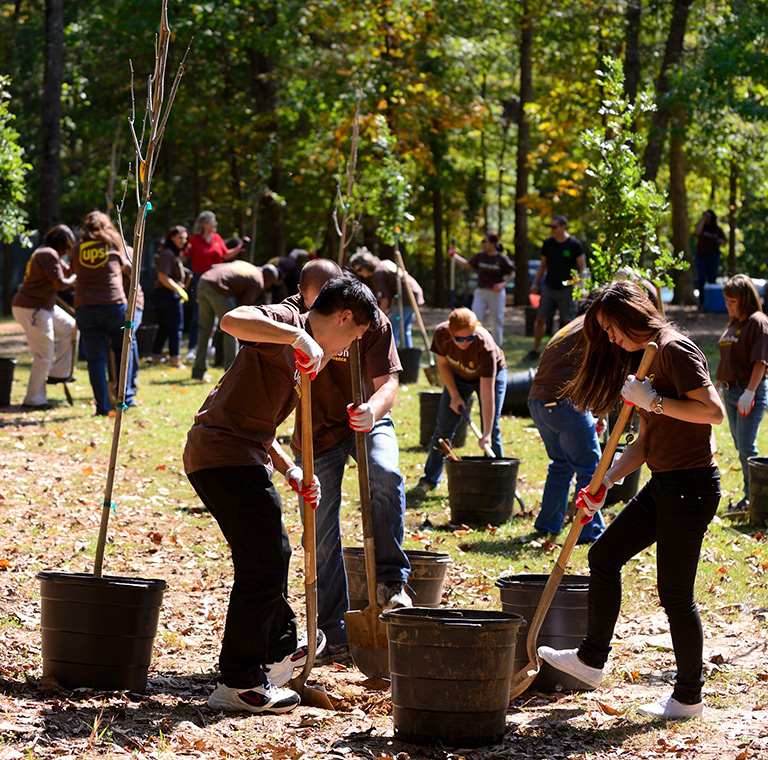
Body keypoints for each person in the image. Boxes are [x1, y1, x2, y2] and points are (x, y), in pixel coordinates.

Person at [184, 272, 379, 714]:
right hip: (222, 453)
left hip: (239, 452)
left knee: (265, 559)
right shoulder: (288, 320)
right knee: (268, 559)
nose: (349, 348)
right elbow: (232, 320)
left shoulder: (308, 354)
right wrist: (296, 336)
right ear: (344, 317)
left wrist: (289, 467)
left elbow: (257, 418)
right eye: (355, 335)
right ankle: (239, 681)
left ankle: (280, 649)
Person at [538, 280, 723, 719]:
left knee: (675, 593)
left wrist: (656, 402)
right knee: (603, 556)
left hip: (692, 487)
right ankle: (591, 660)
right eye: (602, 330)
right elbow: (645, 441)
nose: (609, 337)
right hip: (665, 484)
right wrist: (607, 481)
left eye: (610, 327)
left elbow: (713, 411)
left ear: (629, 316)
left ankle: (688, 698)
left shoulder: (675, 349)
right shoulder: (647, 358)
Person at [275, 258, 411, 662]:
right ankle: (333, 630)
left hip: (364, 417)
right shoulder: (288, 320)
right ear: (306, 299)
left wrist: (373, 408)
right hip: (315, 432)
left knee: (386, 473)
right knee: (319, 529)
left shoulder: (369, 316)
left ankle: (390, 583)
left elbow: (389, 381)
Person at [527, 311, 605, 543]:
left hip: (538, 402)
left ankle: (548, 524)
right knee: (589, 468)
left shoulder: (574, 325)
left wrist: (594, 411)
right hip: (564, 404)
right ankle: (589, 532)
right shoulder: (596, 327)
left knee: (560, 464)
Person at [414, 307, 507, 494]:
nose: (464, 343)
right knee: (443, 429)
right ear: (451, 332)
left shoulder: (485, 346)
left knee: (492, 429)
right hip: (458, 377)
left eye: (469, 337)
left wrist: (486, 433)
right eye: (459, 338)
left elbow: (487, 394)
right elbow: (442, 365)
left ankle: (497, 482)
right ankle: (429, 479)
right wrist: (455, 395)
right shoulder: (441, 335)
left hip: (489, 377)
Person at [70, 211, 135, 416]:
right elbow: (128, 269)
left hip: (85, 306)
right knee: (124, 349)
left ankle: (102, 406)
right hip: (112, 304)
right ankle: (125, 399)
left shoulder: (77, 248)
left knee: (95, 359)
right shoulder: (113, 244)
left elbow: (73, 271)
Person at [715, 274, 768, 513]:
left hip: (748, 391)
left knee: (747, 446)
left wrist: (750, 391)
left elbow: (761, 361)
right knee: (739, 445)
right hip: (729, 392)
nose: (727, 305)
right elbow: (727, 359)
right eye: (726, 300)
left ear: (745, 299)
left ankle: (753, 499)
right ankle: (751, 496)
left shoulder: (758, 322)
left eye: (732, 300)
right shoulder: (733, 323)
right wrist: (717, 385)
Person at [11, 225, 77, 410]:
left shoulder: (48, 254)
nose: (69, 249)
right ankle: (34, 399)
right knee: (44, 354)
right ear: (62, 243)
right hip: (31, 308)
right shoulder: (47, 254)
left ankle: (60, 373)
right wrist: (76, 278)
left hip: (43, 306)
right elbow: (61, 283)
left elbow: (68, 272)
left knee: (70, 328)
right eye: (69, 245)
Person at [191, 261, 280, 381]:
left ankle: (198, 371)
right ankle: (232, 373)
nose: (268, 286)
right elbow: (243, 307)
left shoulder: (248, 266)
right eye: (270, 283)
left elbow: (215, 266)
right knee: (232, 328)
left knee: (205, 329)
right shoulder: (259, 280)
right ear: (268, 277)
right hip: (219, 288)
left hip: (204, 281)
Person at [525, 216, 587, 361]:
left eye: (554, 226)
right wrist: (535, 283)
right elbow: (543, 265)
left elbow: (582, 266)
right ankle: (535, 350)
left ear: (563, 227)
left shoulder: (574, 245)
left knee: (568, 321)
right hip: (549, 286)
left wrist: (579, 284)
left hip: (567, 289)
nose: (551, 229)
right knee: (540, 317)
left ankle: (568, 353)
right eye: (550, 226)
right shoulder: (548, 244)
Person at [184, 211, 243, 360]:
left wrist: (239, 248)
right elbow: (183, 254)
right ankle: (192, 348)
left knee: (218, 319)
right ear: (205, 224)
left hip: (218, 280)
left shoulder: (217, 238)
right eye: (213, 221)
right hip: (200, 280)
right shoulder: (194, 240)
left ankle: (212, 348)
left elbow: (226, 255)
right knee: (199, 316)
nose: (215, 224)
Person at [348, 248, 425, 349]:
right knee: (405, 328)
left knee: (392, 328)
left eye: (360, 270)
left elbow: (385, 300)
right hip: (414, 293)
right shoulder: (385, 263)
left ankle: (394, 355)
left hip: (406, 296)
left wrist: (378, 318)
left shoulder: (378, 274)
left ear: (367, 265)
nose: (359, 274)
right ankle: (407, 354)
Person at [449, 232, 515, 347]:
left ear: (493, 243)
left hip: (496, 293)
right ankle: (474, 343)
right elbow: (466, 265)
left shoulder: (501, 258)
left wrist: (503, 284)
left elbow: (512, 273)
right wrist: (454, 256)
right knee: (475, 318)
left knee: (496, 320)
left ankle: (496, 346)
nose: (483, 243)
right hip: (481, 291)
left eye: (485, 241)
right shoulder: (480, 256)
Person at [151, 225, 189, 368]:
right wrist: (178, 289)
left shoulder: (172, 253)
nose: (183, 241)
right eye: (180, 237)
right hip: (166, 295)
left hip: (163, 295)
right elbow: (162, 276)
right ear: (172, 237)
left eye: (185, 238)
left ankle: (155, 357)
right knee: (176, 328)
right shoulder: (168, 254)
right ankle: (175, 360)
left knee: (164, 328)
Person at [694, 210, 727, 311]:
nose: (707, 219)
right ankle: (701, 302)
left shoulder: (717, 230)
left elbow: (724, 242)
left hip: (713, 257)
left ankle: (710, 304)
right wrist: (703, 219)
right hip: (701, 257)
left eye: (709, 217)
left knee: (712, 280)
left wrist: (720, 241)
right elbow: (697, 232)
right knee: (701, 279)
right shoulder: (702, 228)